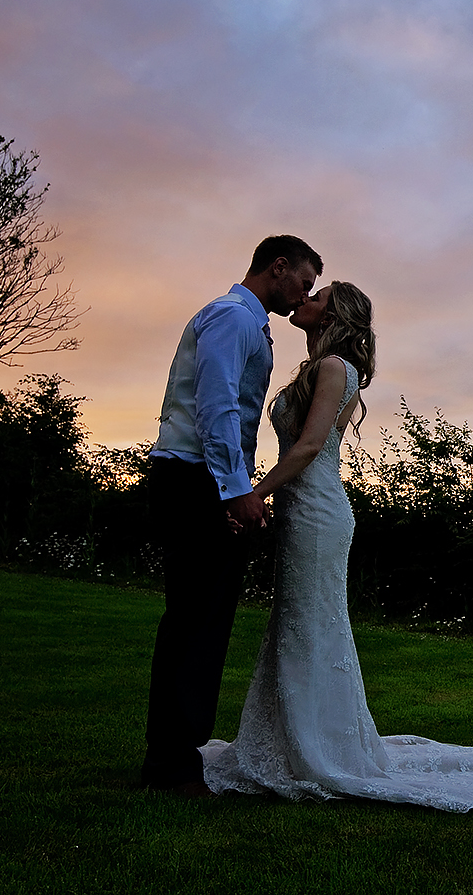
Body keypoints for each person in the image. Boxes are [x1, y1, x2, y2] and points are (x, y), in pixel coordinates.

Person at [201, 282, 473, 811]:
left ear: (333, 314)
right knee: (296, 622)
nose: (304, 300)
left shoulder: (335, 367)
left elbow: (312, 446)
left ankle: (318, 751)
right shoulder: (321, 369)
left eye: (317, 296)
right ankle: (289, 744)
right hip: (301, 511)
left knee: (311, 624)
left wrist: (250, 494)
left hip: (316, 512)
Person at [141, 235, 322, 797]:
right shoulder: (231, 318)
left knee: (204, 618)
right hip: (197, 480)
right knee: (195, 620)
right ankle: (171, 766)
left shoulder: (250, 325)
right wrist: (235, 491)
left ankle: (173, 757)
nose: (303, 295)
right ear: (278, 266)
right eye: (304, 283)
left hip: (205, 480)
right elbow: (216, 407)